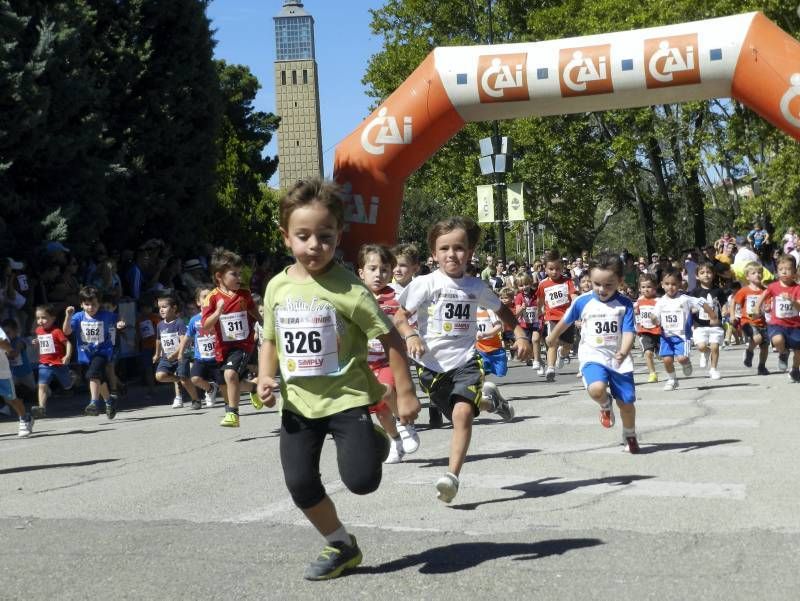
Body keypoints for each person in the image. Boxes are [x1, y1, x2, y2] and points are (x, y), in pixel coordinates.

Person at [256, 178, 421, 580]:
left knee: (362, 482)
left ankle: (377, 438)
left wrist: (406, 392)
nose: (315, 245)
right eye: (304, 235)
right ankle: (341, 544)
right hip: (299, 405)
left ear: (338, 236)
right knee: (300, 484)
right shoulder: (277, 287)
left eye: (325, 236)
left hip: (347, 399)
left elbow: (391, 338)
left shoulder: (351, 290)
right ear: (286, 238)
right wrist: (264, 376)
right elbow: (271, 338)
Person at [395, 216, 532, 505]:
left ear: (469, 253)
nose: (451, 254)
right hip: (431, 368)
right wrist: (410, 336)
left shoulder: (475, 286)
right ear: (434, 254)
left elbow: (503, 311)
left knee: (461, 415)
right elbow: (399, 317)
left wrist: (520, 335)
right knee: (464, 408)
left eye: (458, 248)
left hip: (466, 362)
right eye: (444, 248)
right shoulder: (424, 284)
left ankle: (452, 477)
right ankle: (492, 401)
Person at [546, 253, 640, 453]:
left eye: (609, 285)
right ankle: (605, 405)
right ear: (589, 279)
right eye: (597, 284)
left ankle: (629, 434)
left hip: (618, 359)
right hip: (593, 355)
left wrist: (624, 351)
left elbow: (629, 331)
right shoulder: (583, 301)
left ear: (620, 282)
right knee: (596, 389)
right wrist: (553, 336)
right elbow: (567, 319)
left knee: (626, 403)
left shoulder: (625, 304)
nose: (602, 289)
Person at [358, 244, 420, 463]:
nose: (378, 275)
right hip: (366, 363)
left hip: (390, 360)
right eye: (372, 269)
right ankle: (395, 440)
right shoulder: (356, 298)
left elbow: (408, 323)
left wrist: (412, 337)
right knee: (382, 413)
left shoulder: (397, 298)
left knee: (385, 391)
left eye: (384, 270)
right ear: (361, 272)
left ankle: (406, 426)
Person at [202, 249, 263, 427]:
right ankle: (253, 387)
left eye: (239, 273)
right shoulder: (212, 298)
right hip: (223, 347)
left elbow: (251, 307)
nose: (239, 277)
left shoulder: (244, 292)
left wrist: (262, 322)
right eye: (234, 274)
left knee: (230, 375)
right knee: (230, 380)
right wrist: (218, 312)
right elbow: (206, 324)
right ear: (219, 276)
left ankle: (233, 415)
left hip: (243, 343)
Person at [63, 286, 126, 418]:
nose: (91, 308)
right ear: (81, 304)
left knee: (92, 375)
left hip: (103, 351)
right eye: (87, 304)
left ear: (99, 304)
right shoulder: (78, 317)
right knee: (98, 379)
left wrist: (121, 323)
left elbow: (118, 317)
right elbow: (67, 331)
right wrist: (68, 316)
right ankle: (109, 402)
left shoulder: (105, 315)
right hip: (86, 354)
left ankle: (94, 403)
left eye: (94, 304)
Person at [652, 269, 717, 391]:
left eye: (674, 284)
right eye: (667, 284)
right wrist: (654, 319)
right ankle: (672, 379)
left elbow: (703, 303)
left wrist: (712, 316)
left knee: (681, 358)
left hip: (683, 337)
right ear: (662, 284)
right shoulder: (660, 302)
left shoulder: (685, 298)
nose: (670, 287)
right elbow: (654, 315)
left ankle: (686, 363)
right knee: (667, 360)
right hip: (666, 337)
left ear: (680, 284)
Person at [753, 255, 800, 380]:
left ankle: (795, 369)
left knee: (798, 351)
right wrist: (757, 307)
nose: (784, 272)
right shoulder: (773, 286)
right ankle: (783, 353)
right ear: (777, 271)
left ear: (795, 272)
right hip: (777, 323)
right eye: (781, 269)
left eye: (788, 269)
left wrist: (793, 300)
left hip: (794, 325)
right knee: (777, 340)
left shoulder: (797, 288)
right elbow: (763, 294)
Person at [536, 250, 578, 381]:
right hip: (552, 317)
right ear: (545, 268)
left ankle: (562, 354)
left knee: (568, 345)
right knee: (552, 342)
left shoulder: (567, 281)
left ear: (562, 268)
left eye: (557, 269)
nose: (554, 272)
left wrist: (576, 303)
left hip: (567, 318)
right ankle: (550, 368)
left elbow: (573, 295)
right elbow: (540, 300)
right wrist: (539, 311)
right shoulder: (543, 284)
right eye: (551, 269)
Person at [153, 294, 200, 410]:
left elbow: (184, 341)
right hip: (166, 357)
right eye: (159, 308)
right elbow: (158, 340)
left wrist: (175, 354)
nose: (161, 310)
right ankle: (178, 379)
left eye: (164, 307)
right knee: (160, 376)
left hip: (179, 356)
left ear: (174, 308)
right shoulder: (160, 325)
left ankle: (196, 400)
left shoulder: (179, 323)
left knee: (185, 379)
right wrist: (157, 354)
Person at [180, 287, 221, 408]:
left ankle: (230, 402)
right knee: (195, 378)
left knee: (225, 382)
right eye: (204, 297)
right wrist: (180, 352)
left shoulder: (218, 315)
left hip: (217, 357)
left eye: (211, 296)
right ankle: (210, 389)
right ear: (198, 302)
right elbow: (187, 337)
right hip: (201, 358)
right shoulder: (194, 320)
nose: (208, 299)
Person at [32, 304, 75, 417]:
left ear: (53, 318)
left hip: (59, 364)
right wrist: (36, 343)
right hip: (44, 364)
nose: (41, 321)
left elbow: (68, 343)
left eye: (44, 317)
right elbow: (41, 344)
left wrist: (67, 356)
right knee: (42, 385)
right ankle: (41, 407)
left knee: (67, 386)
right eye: (38, 318)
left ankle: (73, 377)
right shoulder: (38, 330)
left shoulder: (56, 331)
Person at [689, 263, 729, 380]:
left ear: (713, 274)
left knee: (715, 347)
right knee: (701, 346)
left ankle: (713, 369)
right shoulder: (695, 292)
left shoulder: (718, 291)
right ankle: (705, 352)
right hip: (699, 324)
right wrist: (693, 309)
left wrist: (725, 310)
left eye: (708, 272)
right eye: (702, 273)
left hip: (715, 324)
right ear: (697, 276)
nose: (706, 275)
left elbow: (723, 304)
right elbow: (690, 306)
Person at [732, 263, 770, 375]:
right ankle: (749, 352)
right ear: (747, 277)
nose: (757, 275)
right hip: (747, 321)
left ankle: (762, 366)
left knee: (765, 346)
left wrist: (768, 307)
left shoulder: (765, 290)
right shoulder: (744, 290)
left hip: (762, 322)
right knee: (757, 339)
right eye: (753, 273)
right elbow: (734, 301)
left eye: (759, 273)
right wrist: (733, 315)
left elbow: (768, 304)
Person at [0, 323, 34, 437]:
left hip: (1, 372)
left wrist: (9, 350)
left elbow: (5, 343)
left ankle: (25, 418)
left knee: (11, 399)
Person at [634, 273, 662, 383]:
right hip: (644, 331)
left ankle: (660, 354)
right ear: (639, 288)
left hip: (658, 331)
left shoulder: (659, 301)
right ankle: (652, 374)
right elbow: (635, 311)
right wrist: (636, 312)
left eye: (649, 287)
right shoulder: (639, 301)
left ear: (655, 287)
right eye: (643, 287)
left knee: (662, 356)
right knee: (648, 353)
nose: (646, 289)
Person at [2, 318, 36, 404]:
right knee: (10, 390)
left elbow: (14, 354)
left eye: (8, 333)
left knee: (34, 392)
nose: (5, 336)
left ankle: (46, 391)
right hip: (13, 374)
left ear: (16, 331)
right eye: (4, 334)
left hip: (25, 372)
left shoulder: (19, 341)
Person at [513, 274, 543, 374]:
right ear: (517, 287)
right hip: (524, 324)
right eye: (521, 285)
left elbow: (542, 305)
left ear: (530, 283)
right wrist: (522, 308)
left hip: (536, 321)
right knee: (529, 346)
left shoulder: (536, 293)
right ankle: (538, 359)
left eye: (526, 284)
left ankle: (537, 361)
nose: (524, 287)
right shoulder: (519, 297)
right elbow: (516, 314)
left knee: (536, 339)